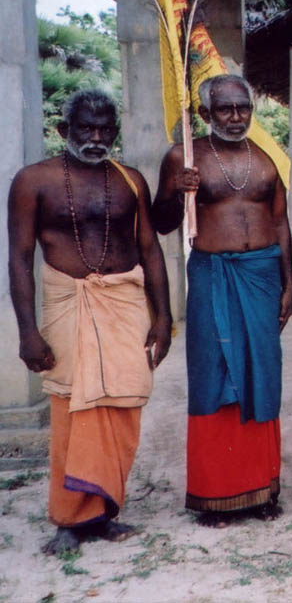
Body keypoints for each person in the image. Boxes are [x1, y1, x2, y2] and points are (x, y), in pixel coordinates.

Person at [8, 90, 172, 554]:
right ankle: (67, 518)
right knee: (72, 409)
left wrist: (163, 318)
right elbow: (19, 260)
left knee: (125, 403)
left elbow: (150, 250)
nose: (96, 137)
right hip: (67, 304)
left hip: (124, 302)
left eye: (105, 129)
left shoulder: (129, 180)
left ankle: (102, 513)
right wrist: (26, 331)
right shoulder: (32, 181)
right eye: (86, 128)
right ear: (65, 131)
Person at [151, 74, 292, 525]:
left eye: (243, 108)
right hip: (214, 277)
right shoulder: (183, 157)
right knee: (214, 380)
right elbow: (162, 222)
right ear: (205, 113)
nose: (236, 117)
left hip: (262, 276)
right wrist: (178, 189)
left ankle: (263, 490)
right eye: (225, 109)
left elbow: (280, 224)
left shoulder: (267, 159)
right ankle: (216, 495)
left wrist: (288, 283)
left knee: (261, 378)